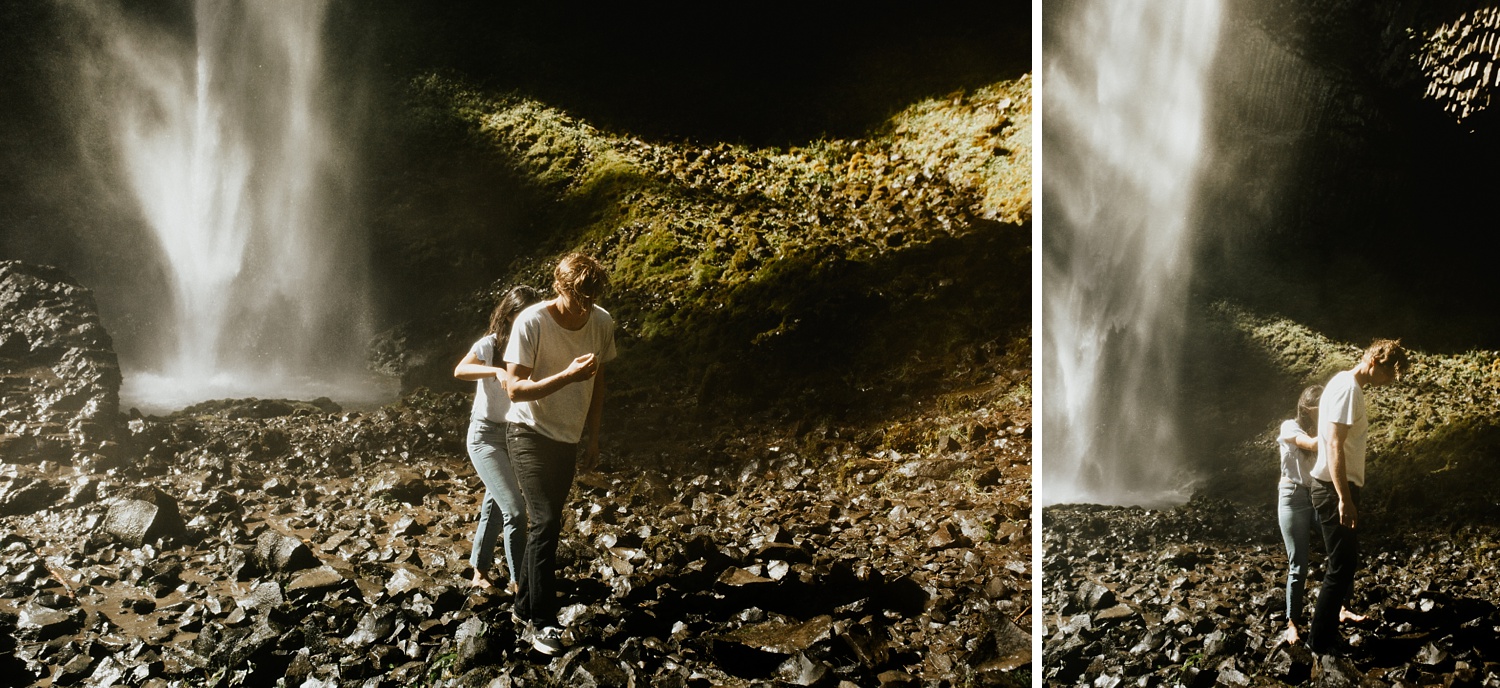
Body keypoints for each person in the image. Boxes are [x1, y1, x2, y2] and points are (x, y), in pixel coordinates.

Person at [503, 253, 615, 655]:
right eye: (578, 297)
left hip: (568, 437)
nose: (585, 305)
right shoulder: (532, 321)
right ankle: (542, 621)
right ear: (560, 287)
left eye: (592, 296)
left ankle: (521, 606)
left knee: (546, 527)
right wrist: (567, 375)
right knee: (546, 520)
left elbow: (600, 383)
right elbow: (514, 389)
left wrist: (594, 439)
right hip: (528, 431)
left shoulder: (601, 322)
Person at [1306, 339, 1409, 654]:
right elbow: (1335, 444)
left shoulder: (1341, 380)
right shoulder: (1350, 389)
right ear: (1377, 361)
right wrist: (1344, 497)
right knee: (1341, 565)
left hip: (1331, 485)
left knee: (1343, 563)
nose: (1391, 382)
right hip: (1332, 487)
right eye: (1392, 374)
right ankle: (1319, 643)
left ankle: (1325, 634)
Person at [453, 285, 542, 592]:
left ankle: (479, 570)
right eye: (520, 316)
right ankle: (520, 583)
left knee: (495, 502)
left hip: (515, 436)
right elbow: (460, 370)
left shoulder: (533, 346)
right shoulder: (490, 344)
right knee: (515, 511)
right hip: (484, 436)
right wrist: (495, 372)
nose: (525, 323)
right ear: (508, 315)